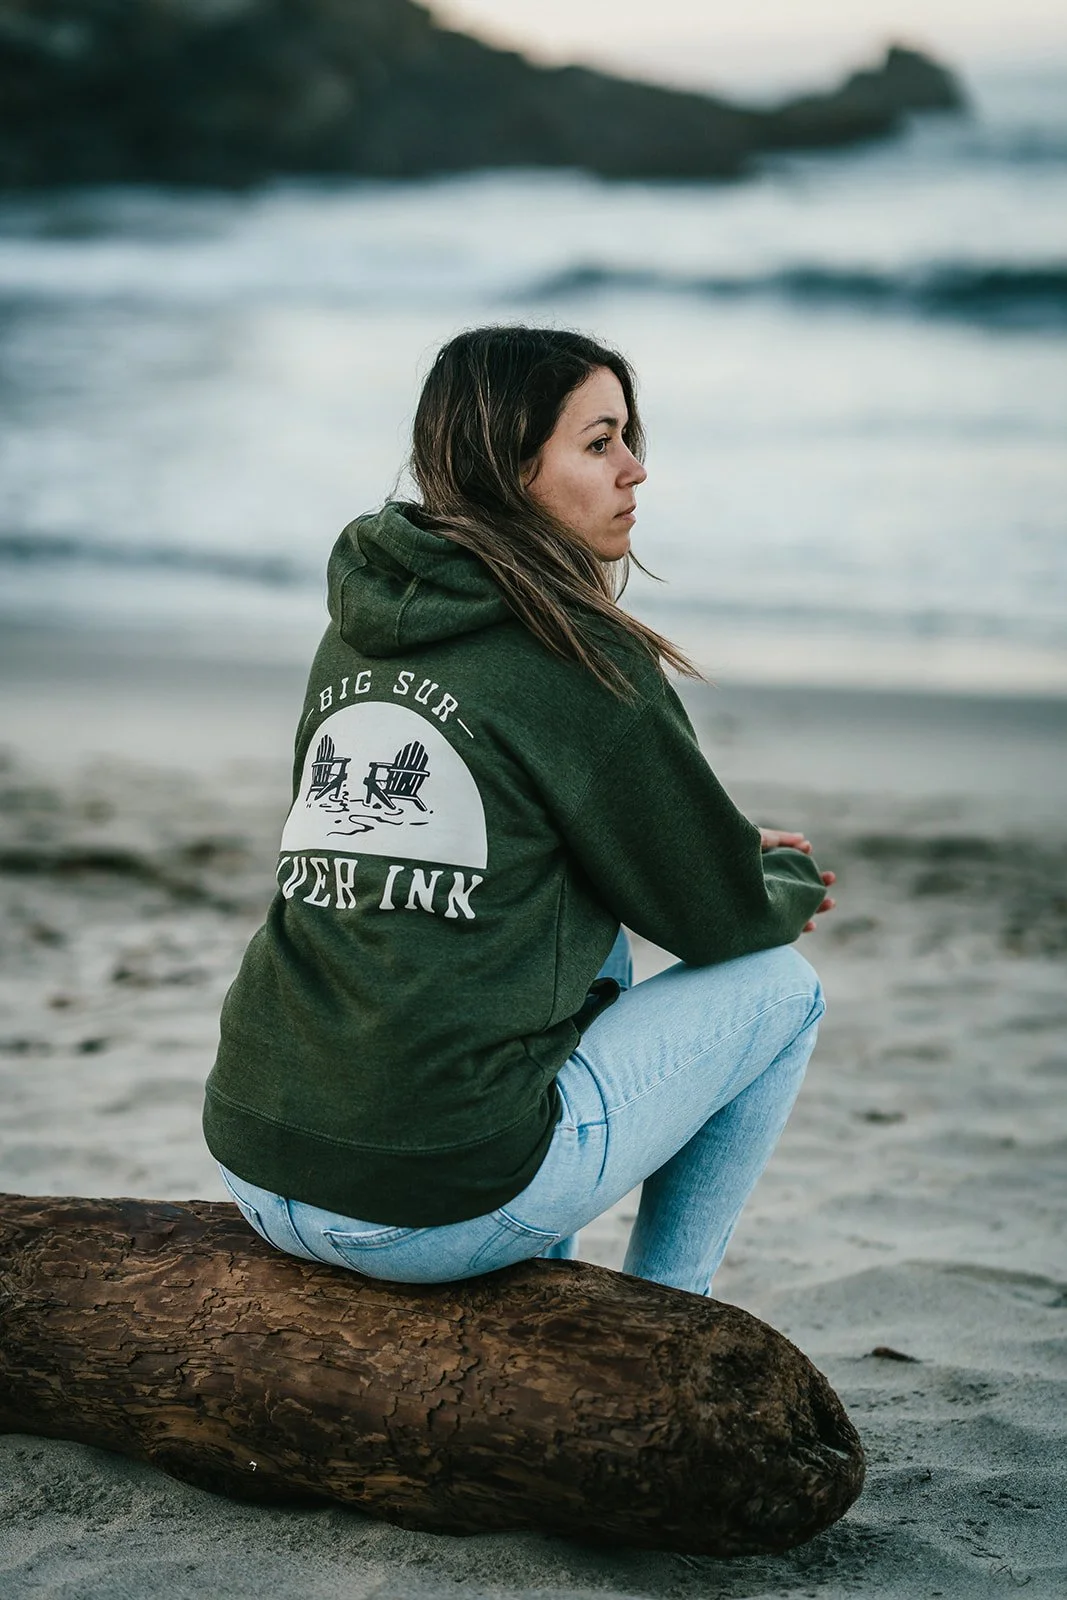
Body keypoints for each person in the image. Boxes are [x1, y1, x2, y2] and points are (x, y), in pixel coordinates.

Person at [202, 325, 835, 1298]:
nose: (634, 469)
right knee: (782, 988)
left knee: (595, 947)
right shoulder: (574, 651)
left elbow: (444, 825)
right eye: (599, 443)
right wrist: (780, 878)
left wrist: (712, 841)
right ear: (509, 464)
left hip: (261, 1154)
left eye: (627, 439)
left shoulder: (361, 623)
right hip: (424, 1206)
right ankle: (671, 1315)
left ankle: (540, 1286)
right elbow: (717, 917)